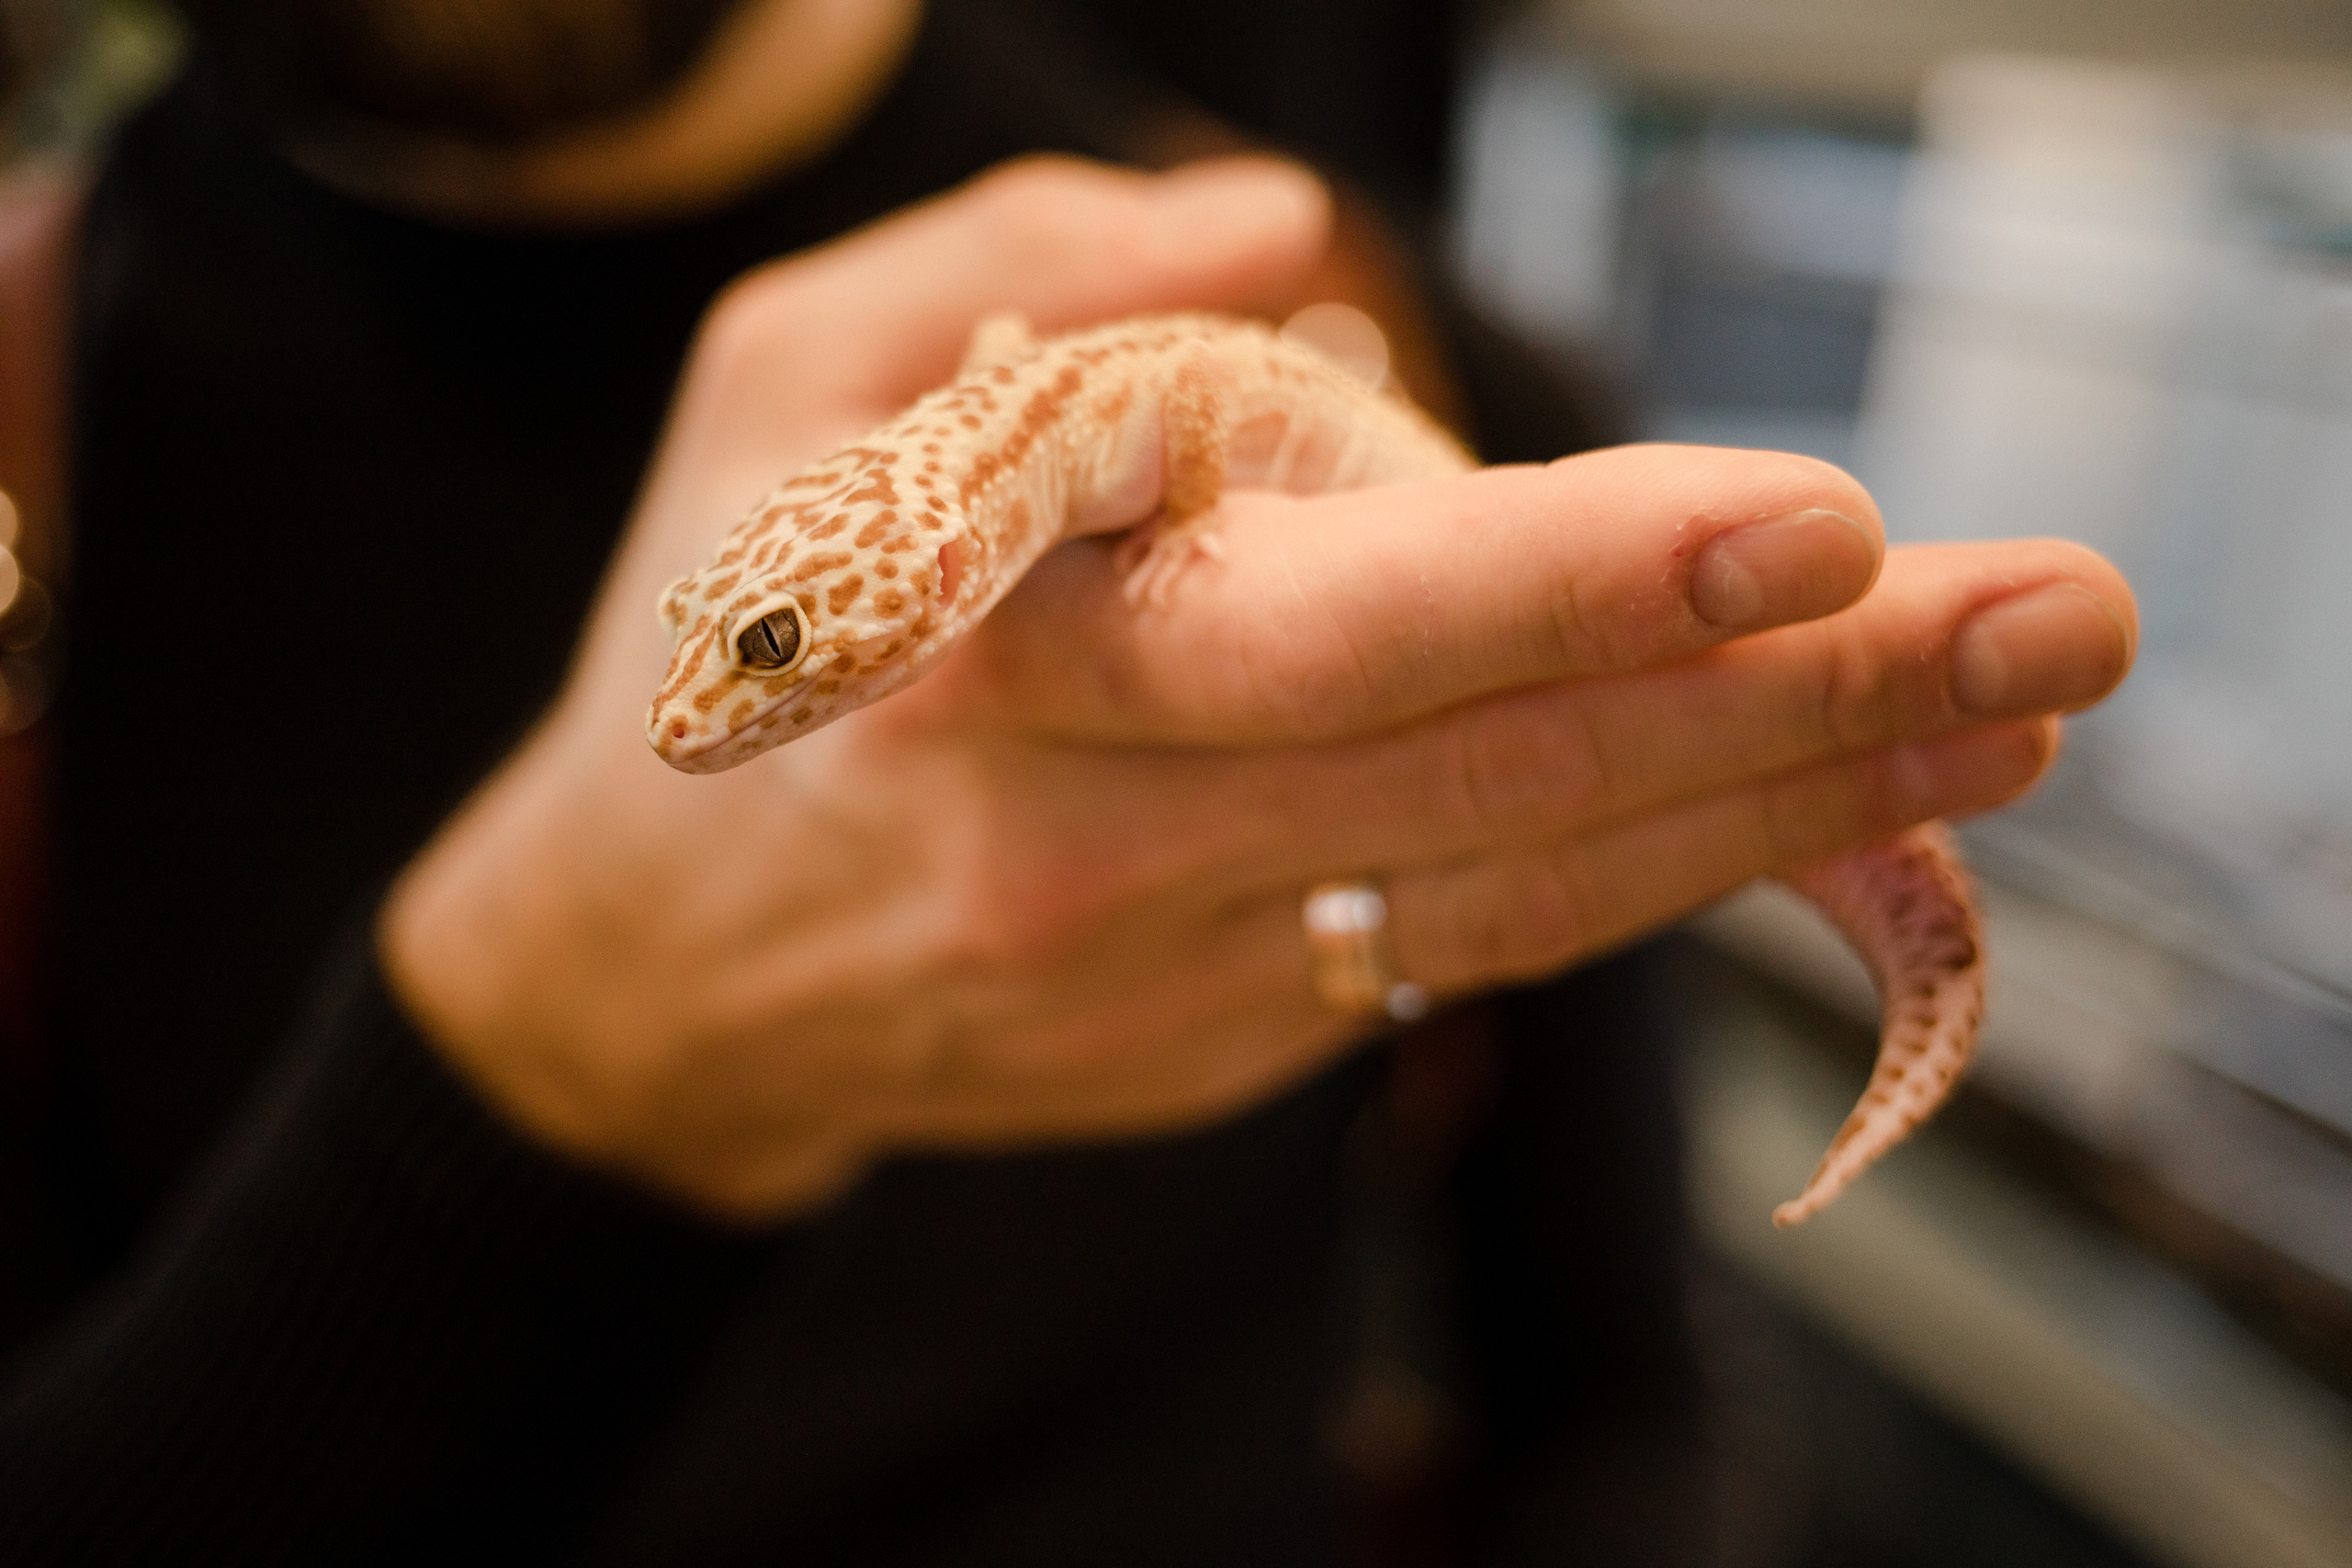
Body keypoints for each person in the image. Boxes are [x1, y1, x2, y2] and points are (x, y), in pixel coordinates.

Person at [0, 3, 2137, 1559]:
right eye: (736, 647)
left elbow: (1614, 1409)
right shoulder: (38, 417)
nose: (716, 706)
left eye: (760, 654)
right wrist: (538, 1057)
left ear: (921, 556)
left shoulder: (1366, 315)